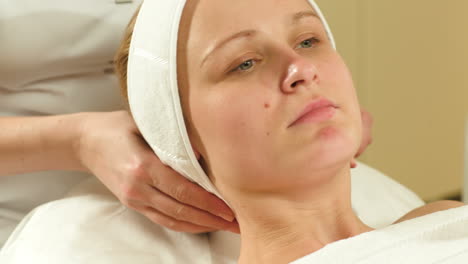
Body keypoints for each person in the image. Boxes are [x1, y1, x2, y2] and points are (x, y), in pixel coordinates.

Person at [0, 0, 377, 246]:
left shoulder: (432, 227)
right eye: (243, 63)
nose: (303, 69)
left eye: (309, 42)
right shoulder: (65, 242)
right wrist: (76, 141)